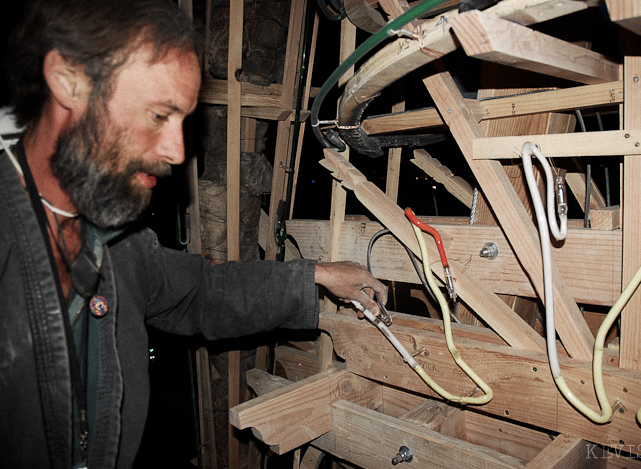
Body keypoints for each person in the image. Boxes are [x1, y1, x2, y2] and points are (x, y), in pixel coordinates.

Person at [0, 0, 387, 467]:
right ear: (68, 80)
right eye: (159, 116)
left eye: (183, 121)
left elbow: (200, 293)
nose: (177, 151)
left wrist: (317, 276)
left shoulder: (115, 242)